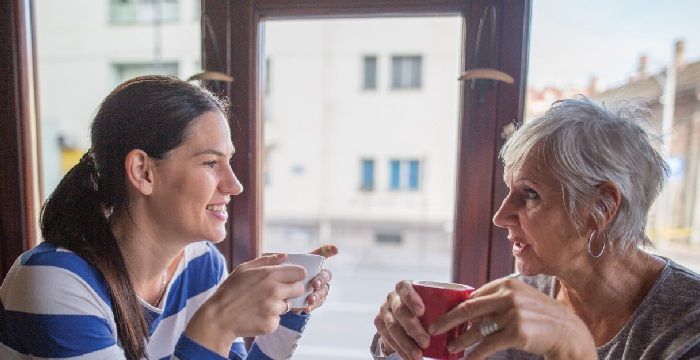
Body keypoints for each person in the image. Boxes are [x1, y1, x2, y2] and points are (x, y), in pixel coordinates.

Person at [0, 75, 336, 360]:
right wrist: (216, 323)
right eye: (210, 163)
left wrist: (289, 309)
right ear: (143, 171)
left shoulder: (201, 264)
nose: (235, 185)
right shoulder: (53, 281)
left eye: (229, 162)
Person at [371, 97, 700, 359]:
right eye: (508, 190)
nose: (500, 216)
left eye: (530, 194)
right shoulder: (526, 295)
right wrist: (398, 342)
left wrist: (571, 346)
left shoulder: (688, 327)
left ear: (601, 207)